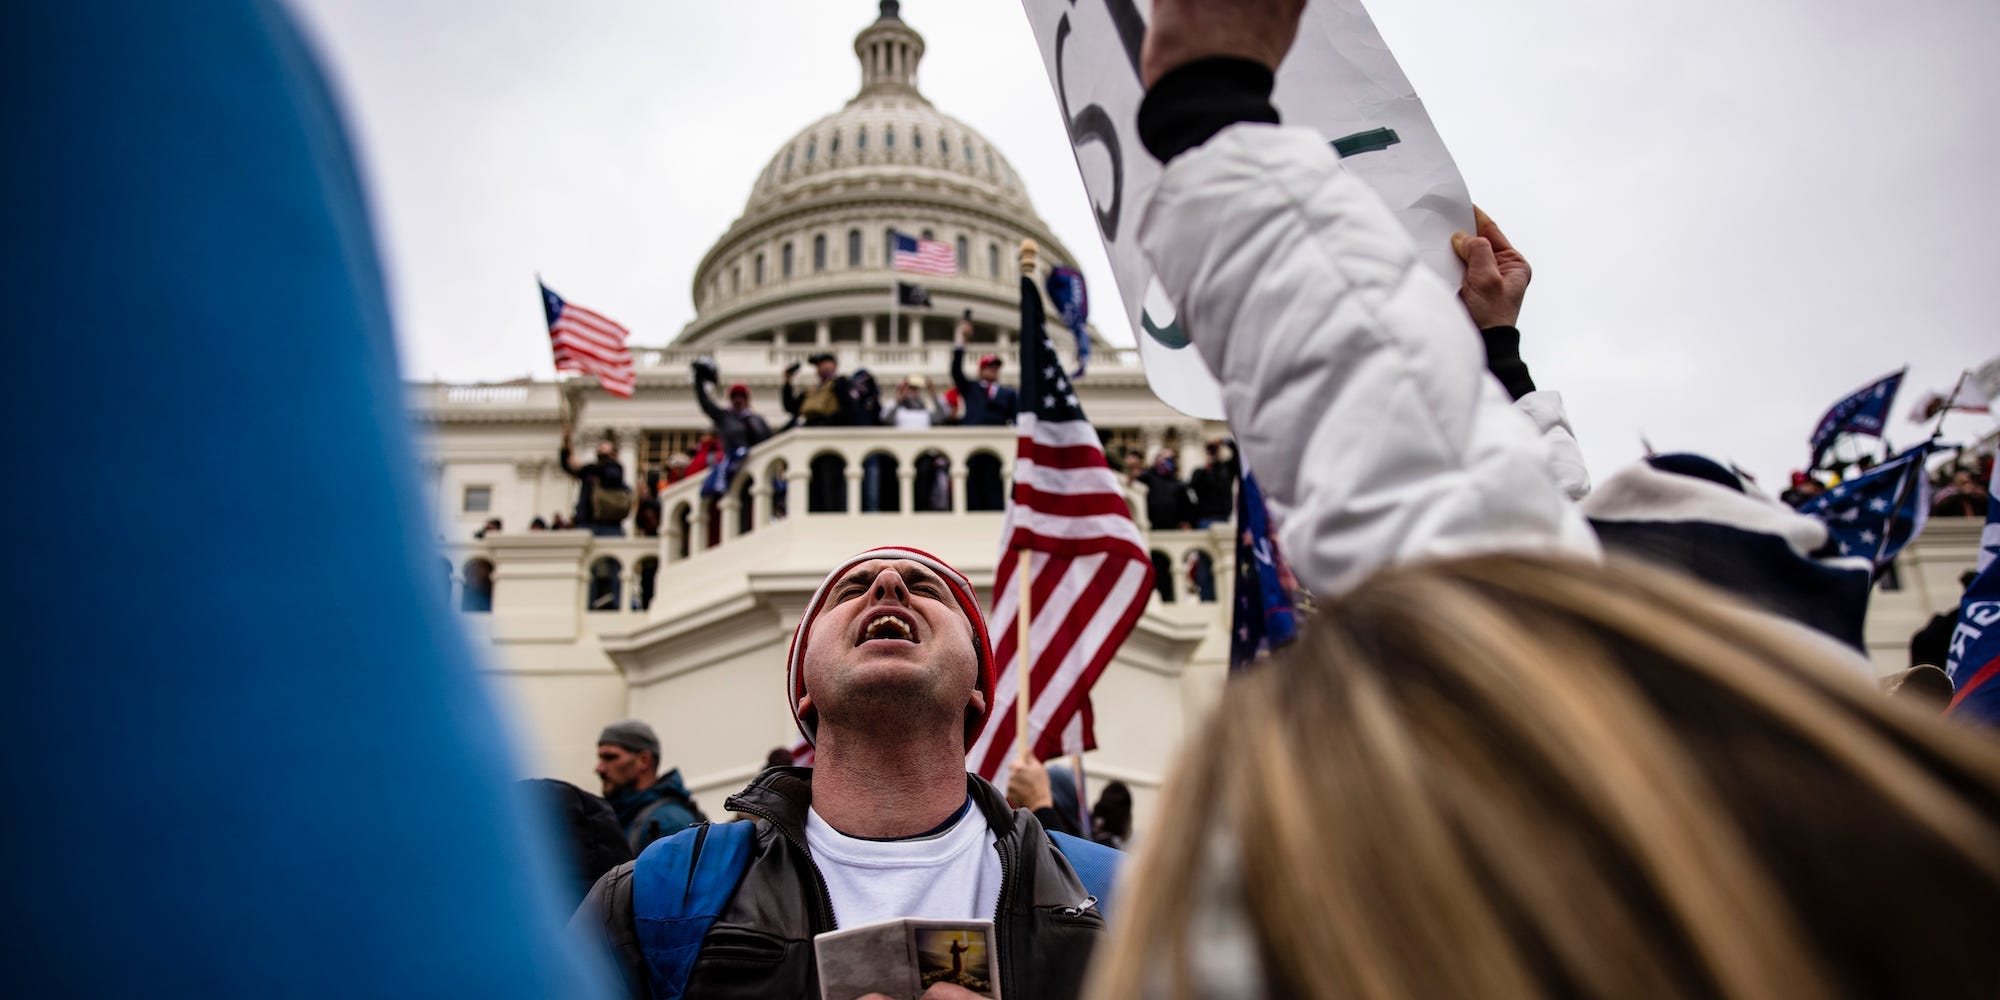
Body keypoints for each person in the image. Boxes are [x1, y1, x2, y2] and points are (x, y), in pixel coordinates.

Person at [1084, 2, 2000, 995]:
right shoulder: (1870, 866)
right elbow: (1483, 526)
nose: (1567, 563)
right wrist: (1497, 360)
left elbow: (1457, 524)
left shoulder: (1558, 831)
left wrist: (1208, 104)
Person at [573, 548, 1111, 999]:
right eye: (850, 590)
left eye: (927, 588)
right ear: (803, 690)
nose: (889, 582)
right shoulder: (652, 896)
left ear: (978, 687)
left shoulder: (1115, 895)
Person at [594, 719, 705, 853]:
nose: (599, 768)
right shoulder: (619, 816)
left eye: (610, 757)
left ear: (644, 760)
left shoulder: (669, 821)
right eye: (600, 758)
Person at [559, 424, 630, 537]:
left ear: (613, 453)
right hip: (587, 522)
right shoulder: (589, 472)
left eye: (605, 445)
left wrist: (582, 467)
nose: (601, 446)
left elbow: (608, 474)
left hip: (609, 525)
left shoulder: (615, 468)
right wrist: (565, 444)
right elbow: (568, 466)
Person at [950, 319, 1018, 426]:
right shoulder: (970, 388)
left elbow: (1016, 418)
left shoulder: (1009, 393)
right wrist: (962, 340)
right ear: (980, 371)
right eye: (989, 366)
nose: (993, 369)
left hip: (998, 438)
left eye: (996, 367)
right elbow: (956, 371)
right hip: (972, 436)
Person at [783, 352, 857, 428]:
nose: (819, 367)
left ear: (833, 364)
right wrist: (788, 381)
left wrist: (825, 422)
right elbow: (791, 407)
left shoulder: (840, 383)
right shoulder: (811, 389)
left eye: (822, 363)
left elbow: (849, 409)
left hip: (827, 429)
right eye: (818, 365)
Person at [1140, 450, 1194, 531]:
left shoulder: (1179, 484)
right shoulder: (1147, 478)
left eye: (1171, 459)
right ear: (1157, 460)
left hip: (1173, 528)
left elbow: (1187, 505)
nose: (1168, 461)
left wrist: (1186, 521)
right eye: (1165, 458)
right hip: (1151, 527)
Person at [1188, 439, 1238, 527]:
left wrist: (1223, 441)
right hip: (1204, 518)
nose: (1213, 453)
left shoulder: (1227, 469)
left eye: (1215, 450)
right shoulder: (1200, 472)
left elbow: (1238, 454)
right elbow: (1192, 490)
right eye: (1211, 450)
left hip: (1224, 517)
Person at [883, 374, 949, 428]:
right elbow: (886, 419)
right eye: (910, 388)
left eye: (916, 389)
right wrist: (899, 399)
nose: (913, 391)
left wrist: (933, 395)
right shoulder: (897, 409)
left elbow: (942, 416)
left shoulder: (926, 412)